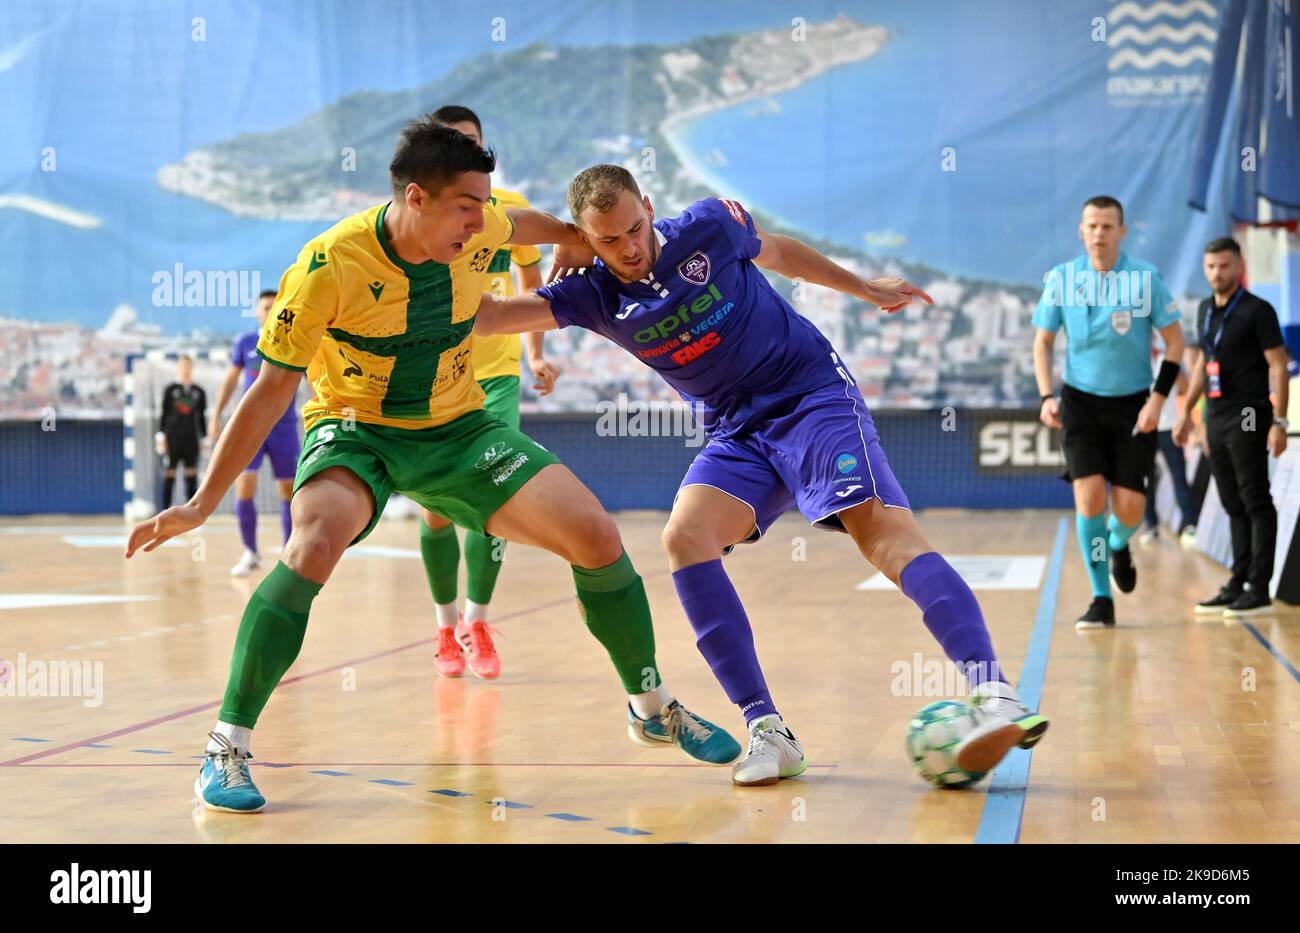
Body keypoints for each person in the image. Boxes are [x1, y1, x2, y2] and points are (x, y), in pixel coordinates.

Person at [125, 120, 739, 814]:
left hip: (457, 427)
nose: (483, 222)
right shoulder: (329, 266)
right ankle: (226, 745)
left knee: (596, 535)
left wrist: (579, 240)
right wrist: (203, 500)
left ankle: (649, 704)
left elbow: (530, 224)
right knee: (314, 543)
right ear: (416, 198)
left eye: (484, 206)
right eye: (467, 207)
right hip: (358, 432)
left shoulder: (483, 225)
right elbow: (270, 390)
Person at [474, 164, 1050, 786]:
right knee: (684, 538)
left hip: (810, 396)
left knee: (880, 533)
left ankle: (996, 695)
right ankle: (768, 731)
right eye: (608, 240)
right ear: (584, 238)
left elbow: (781, 254)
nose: (630, 248)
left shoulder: (710, 226)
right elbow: (489, 318)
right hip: (736, 430)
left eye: (635, 229)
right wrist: (447, 249)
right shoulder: (591, 292)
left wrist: (863, 287)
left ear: (648, 204)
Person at [418, 105, 561, 680]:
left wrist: (537, 353)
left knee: (491, 505)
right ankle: (444, 626)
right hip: (432, 382)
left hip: (495, 379)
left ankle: (477, 621)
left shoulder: (510, 211)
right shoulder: (419, 220)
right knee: (434, 515)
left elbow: (531, 278)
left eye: (470, 142)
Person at [1032, 196, 1185, 629]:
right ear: (1081, 231)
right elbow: (1042, 342)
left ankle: (1119, 543)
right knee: (1089, 497)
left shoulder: (1145, 278)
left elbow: (1175, 342)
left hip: (1135, 404)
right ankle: (1102, 598)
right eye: (1092, 226)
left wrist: (1157, 401)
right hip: (1080, 402)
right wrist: (1047, 396)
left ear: (1122, 232)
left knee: (1131, 508)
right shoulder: (1061, 280)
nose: (1099, 233)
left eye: (1107, 226)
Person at [1174, 237, 1290, 617]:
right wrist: (1186, 412)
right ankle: (1238, 579)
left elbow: (1277, 365)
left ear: (1238, 267)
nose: (1216, 273)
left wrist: (1279, 421)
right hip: (1217, 415)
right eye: (1210, 267)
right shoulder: (1206, 309)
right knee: (1231, 501)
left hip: (1249, 412)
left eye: (1223, 266)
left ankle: (1259, 587)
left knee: (1254, 495)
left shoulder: (1258, 310)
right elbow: (1203, 368)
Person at [208, 290, 302, 576]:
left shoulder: (295, 342)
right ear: (258, 312)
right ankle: (250, 552)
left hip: (284, 427)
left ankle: (289, 554)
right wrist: (215, 416)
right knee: (245, 483)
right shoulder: (246, 343)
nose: (270, 311)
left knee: (289, 490)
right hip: (251, 426)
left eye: (275, 307)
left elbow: (314, 381)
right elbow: (230, 381)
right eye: (265, 307)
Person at [157, 354, 206, 508]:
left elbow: (201, 417)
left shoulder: (199, 391)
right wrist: (161, 437)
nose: (186, 369)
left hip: (191, 439)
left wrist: (204, 439)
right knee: (169, 473)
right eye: (183, 366)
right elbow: (164, 414)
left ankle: (191, 513)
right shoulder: (170, 389)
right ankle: (164, 511)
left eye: (188, 366)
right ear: (178, 368)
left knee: (191, 474)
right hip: (173, 438)